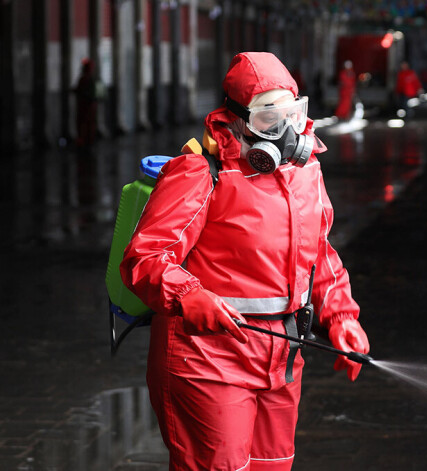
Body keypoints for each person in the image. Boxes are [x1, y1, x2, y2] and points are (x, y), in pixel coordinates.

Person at [120, 51, 370, 470]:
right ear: (236, 118)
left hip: (283, 357)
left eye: (291, 112)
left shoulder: (306, 171)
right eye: (267, 117)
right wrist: (188, 295)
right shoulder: (201, 172)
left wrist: (341, 316)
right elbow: (145, 257)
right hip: (207, 359)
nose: (284, 128)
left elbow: (318, 252)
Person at [74, 58, 104, 147]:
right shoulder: (92, 79)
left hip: (85, 106)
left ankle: (84, 141)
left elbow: (80, 90)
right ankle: (88, 141)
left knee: (84, 124)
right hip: (90, 106)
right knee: (89, 124)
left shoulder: (84, 79)